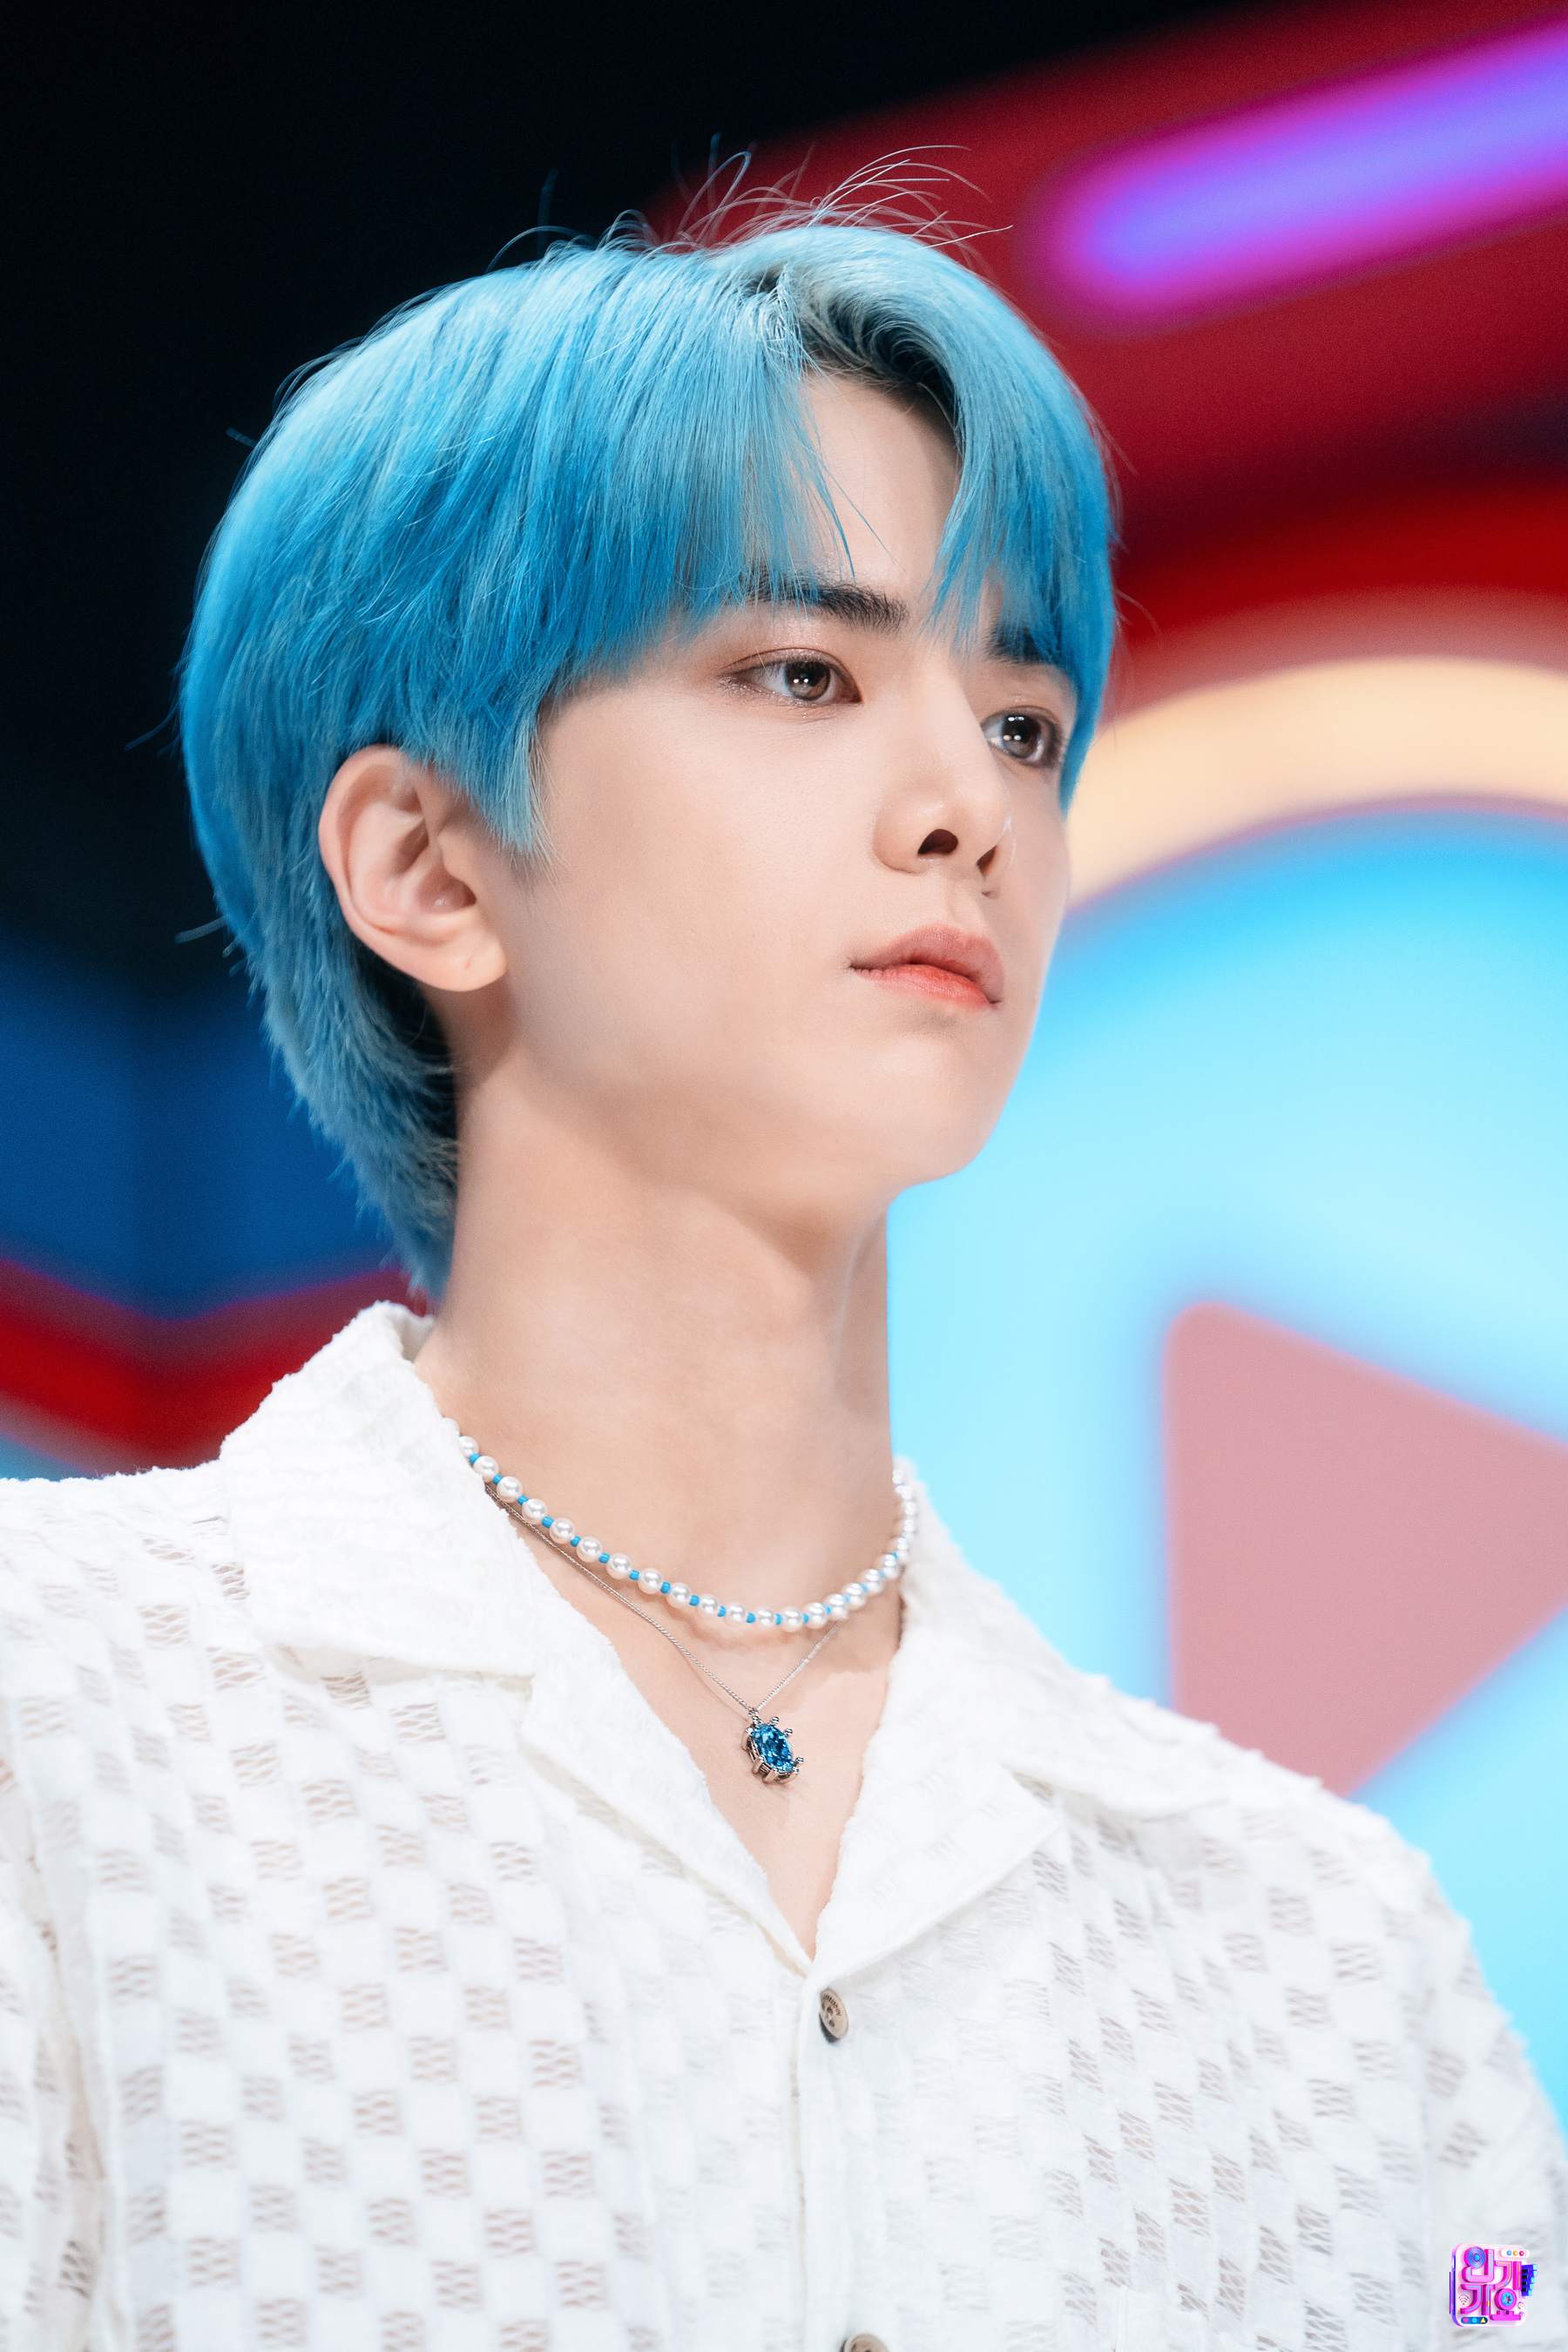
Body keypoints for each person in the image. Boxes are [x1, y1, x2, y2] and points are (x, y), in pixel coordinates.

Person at [1, 213, 1563, 2352]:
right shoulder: (65, 1715)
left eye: (1024, 722)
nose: (967, 808)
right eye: (803, 677)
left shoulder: (1336, 1967)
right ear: (427, 867)